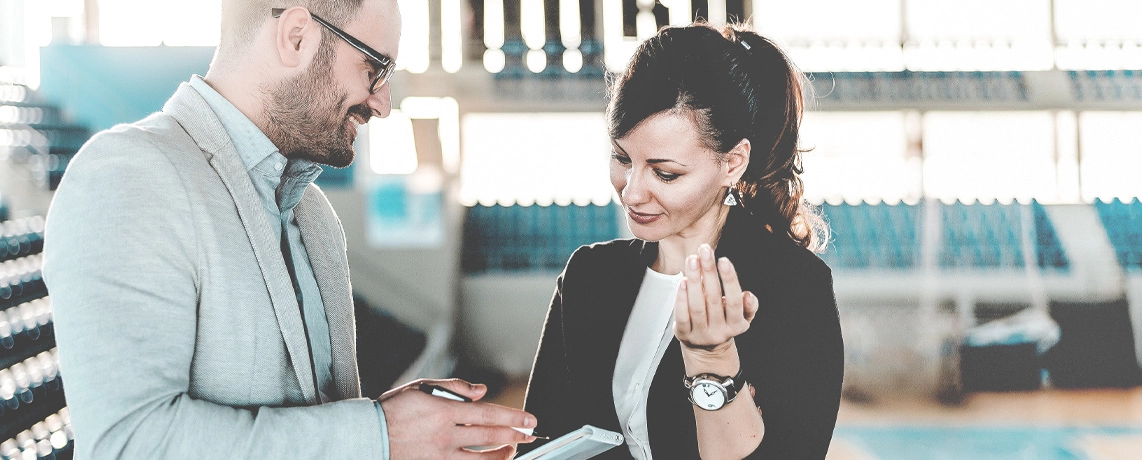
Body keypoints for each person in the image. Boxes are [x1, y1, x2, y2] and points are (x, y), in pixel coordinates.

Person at [41, 0, 535, 458]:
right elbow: (130, 445)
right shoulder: (129, 173)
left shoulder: (313, 214)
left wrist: (401, 428)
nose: (382, 103)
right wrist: (377, 434)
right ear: (297, 36)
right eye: (374, 68)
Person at [518, 23, 844, 459]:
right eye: (621, 158)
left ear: (732, 163)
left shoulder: (793, 288)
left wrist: (713, 361)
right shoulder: (589, 277)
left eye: (665, 173)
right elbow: (543, 440)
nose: (632, 192)